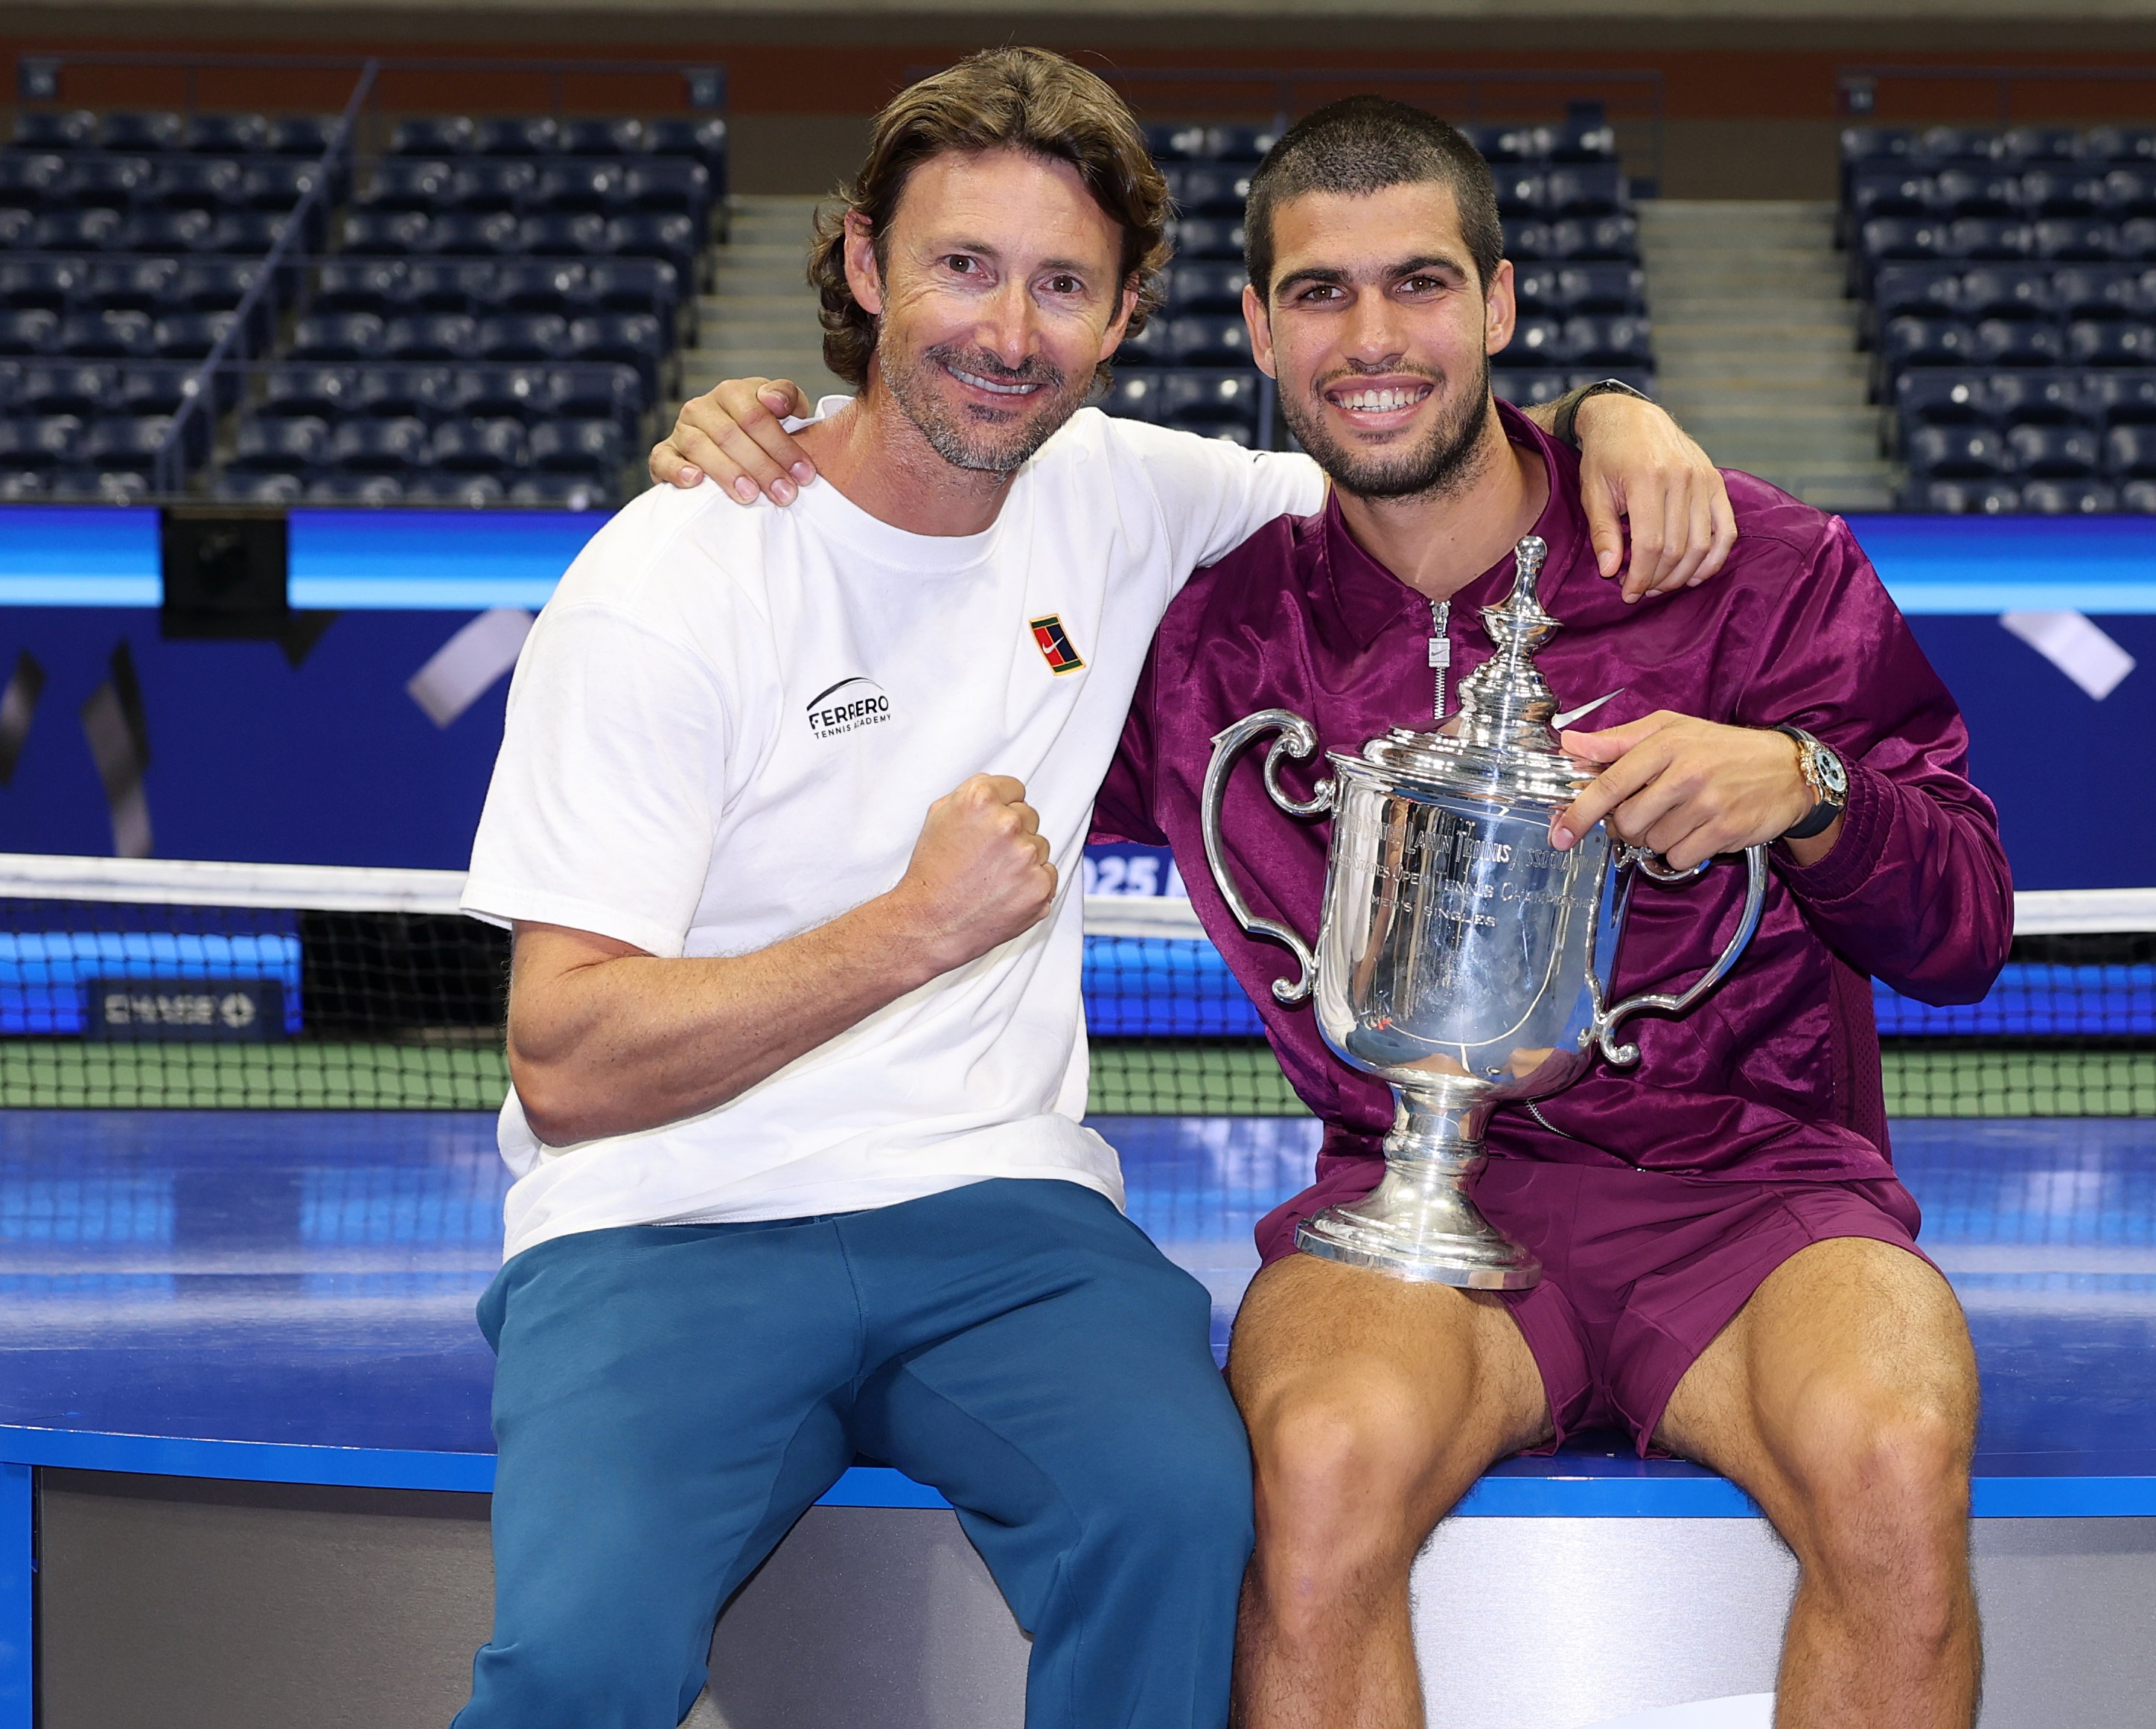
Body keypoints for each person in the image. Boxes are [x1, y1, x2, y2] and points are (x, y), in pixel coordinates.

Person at [664, 92, 2011, 1729]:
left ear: (1500, 305)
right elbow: (926, 585)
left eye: (1421, 285)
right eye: (1320, 294)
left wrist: (1806, 790)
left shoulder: (1748, 563)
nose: (1374, 338)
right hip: (1403, 1213)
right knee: (1307, 1469)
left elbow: (1962, 929)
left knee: (1892, 1455)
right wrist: (788, 433)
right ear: (1254, 329)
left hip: (1756, 1203)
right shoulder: (1197, 626)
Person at [461, 48, 1732, 1729]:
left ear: (1125, 313)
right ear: (862, 266)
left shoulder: (1129, 493)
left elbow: (1415, 447)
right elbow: (566, 1056)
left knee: (1183, 1515)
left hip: (1002, 1218)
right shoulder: (670, 580)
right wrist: (908, 931)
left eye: (1061, 284)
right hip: (661, 1228)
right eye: (961, 267)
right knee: (576, 1667)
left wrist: (1606, 412)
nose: (1005, 331)